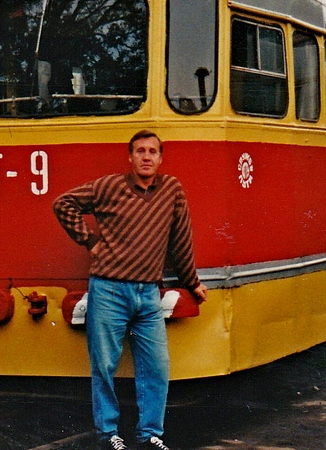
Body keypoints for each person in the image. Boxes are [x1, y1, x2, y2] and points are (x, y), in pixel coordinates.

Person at [53, 130, 208, 450]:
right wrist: (91, 241)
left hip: (148, 294)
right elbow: (63, 203)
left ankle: (150, 434)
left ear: (161, 159)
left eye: (153, 151)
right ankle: (108, 434)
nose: (147, 156)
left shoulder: (172, 190)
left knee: (156, 366)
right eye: (140, 151)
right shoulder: (109, 186)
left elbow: (181, 241)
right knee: (104, 365)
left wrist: (191, 281)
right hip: (109, 290)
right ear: (131, 157)